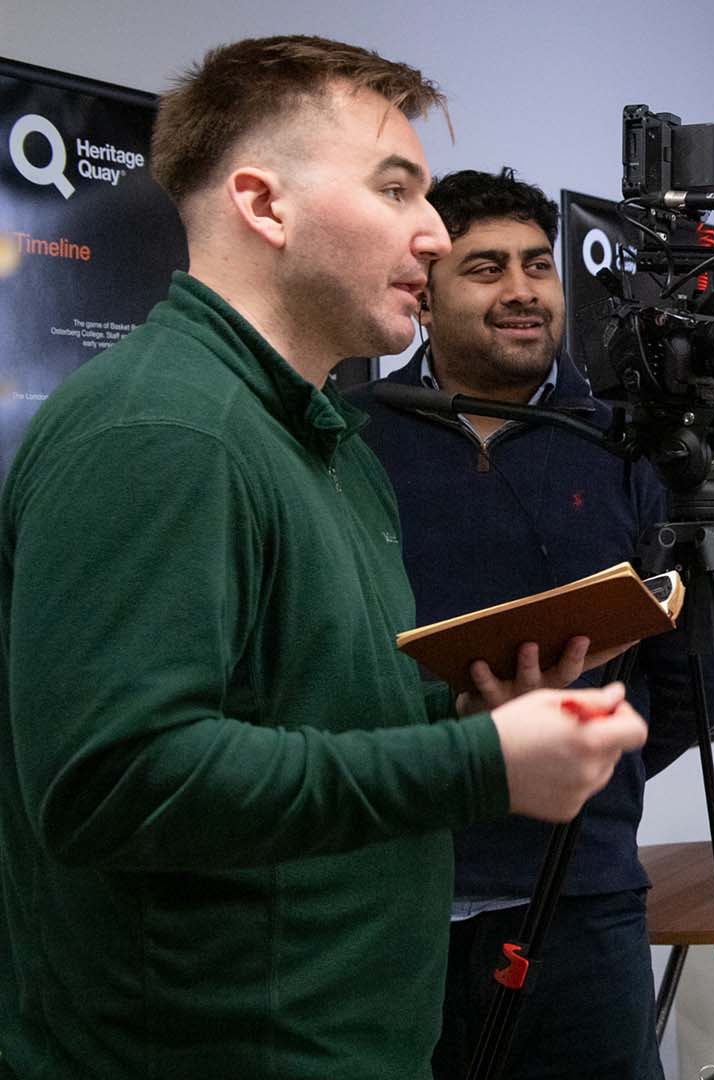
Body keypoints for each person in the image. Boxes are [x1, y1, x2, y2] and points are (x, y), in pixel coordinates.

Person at [0, 36, 651, 1080]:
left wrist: (460, 726)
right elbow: (116, 781)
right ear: (266, 207)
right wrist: (474, 763)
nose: (434, 235)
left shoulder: (323, 441)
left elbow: (303, 718)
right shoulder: (166, 430)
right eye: (396, 190)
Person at [346, 168, 694, 1080]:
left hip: (579, 888)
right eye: (487, 268)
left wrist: (580, 760)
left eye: (538, 266)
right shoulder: (349, 440)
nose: (522, 291)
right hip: (386, 889)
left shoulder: (622, 449)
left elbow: (693, 680)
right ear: (423, 294)